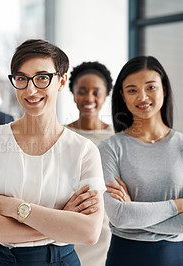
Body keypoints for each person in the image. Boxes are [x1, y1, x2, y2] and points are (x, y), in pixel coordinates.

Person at [0, 39, 106, 265]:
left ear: (61, 81)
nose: (30, 88)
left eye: (42, 78)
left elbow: (89, 232)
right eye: (21, 78)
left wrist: (17, 209)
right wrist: (60, 224)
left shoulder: (84, 151)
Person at [98, 55, 183, 266]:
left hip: (177, 257)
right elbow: (119, 216)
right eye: (132, 90)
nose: (142, 97)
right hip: (125, 257)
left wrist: (135, 213)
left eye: (150, 87)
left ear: (164, 88)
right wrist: (178, 206)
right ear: (123, 96)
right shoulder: (108, 149)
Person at [66, 61, 114, 265]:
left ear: (106, 94)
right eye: (82, 91)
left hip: (105, 230)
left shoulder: (117, 138)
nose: (89, 99)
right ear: (73, 93)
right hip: (66, 225)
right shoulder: (60, 136)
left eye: (96, 92)